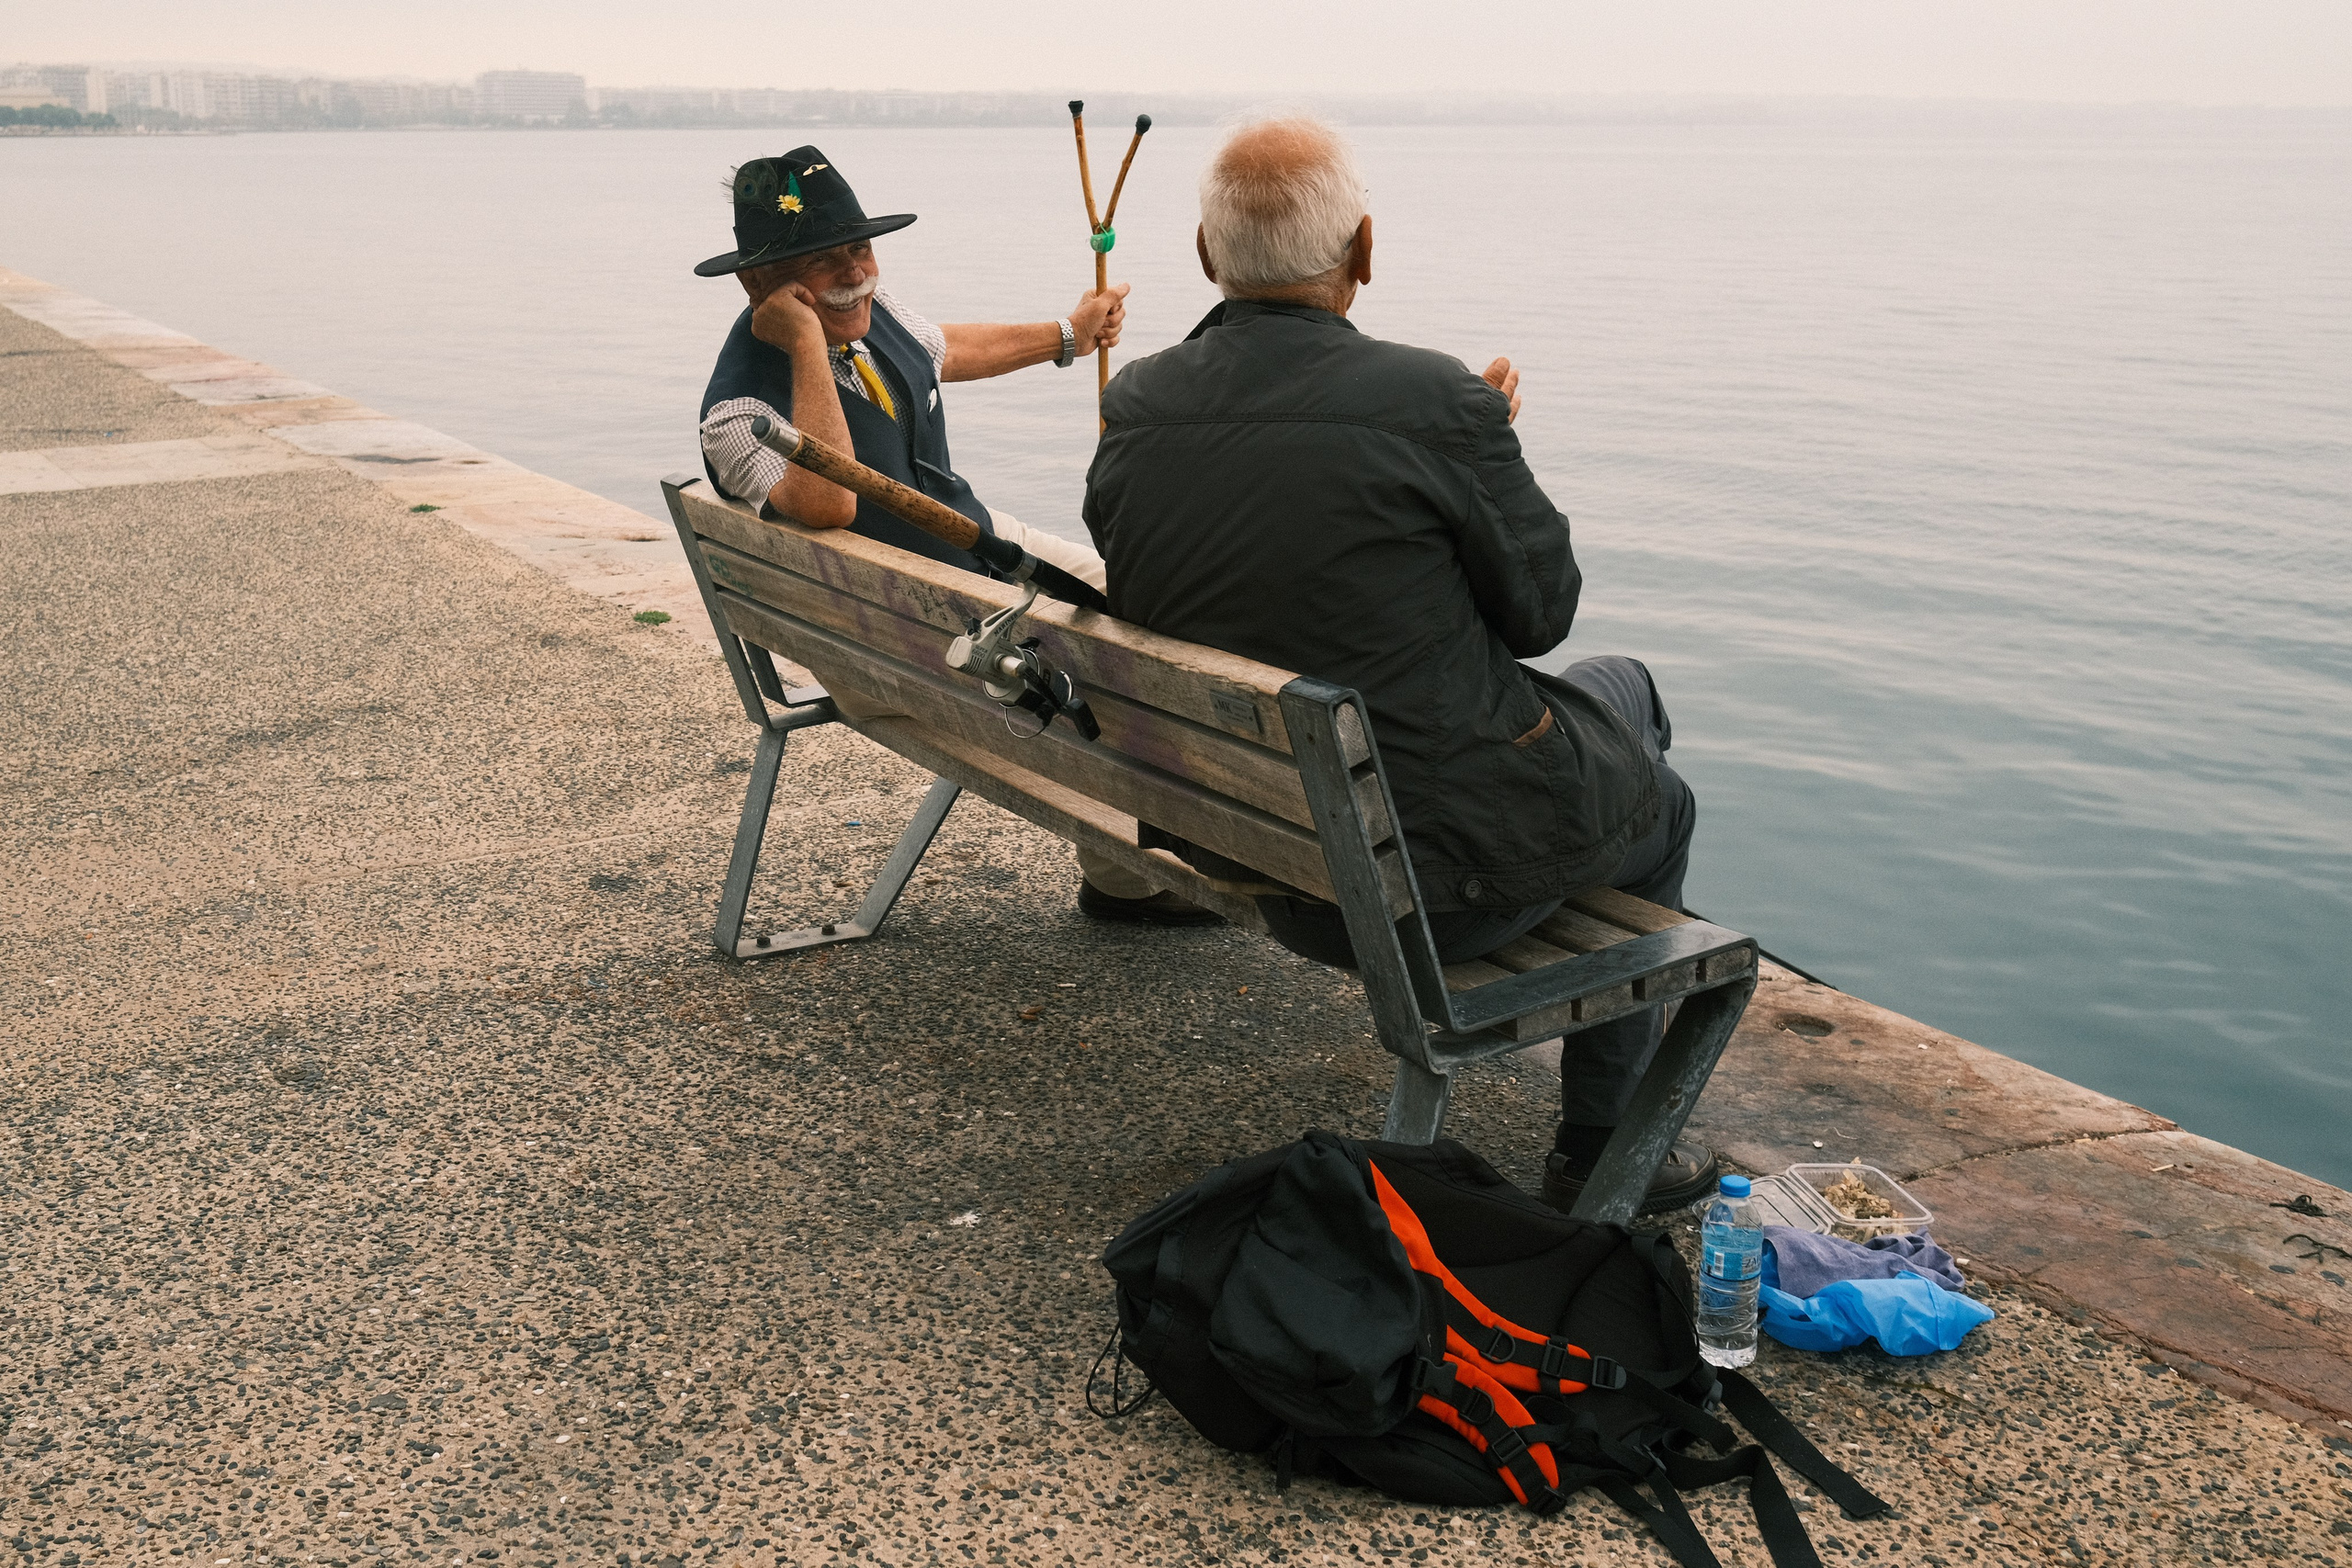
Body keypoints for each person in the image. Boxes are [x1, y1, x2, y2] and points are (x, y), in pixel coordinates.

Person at [1080, 118, 1717, 1214]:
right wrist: (1478, 443)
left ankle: (1608, 1104)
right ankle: (1607, 1142)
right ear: (1363, 251)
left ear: (1201, 255)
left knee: (1615, 697)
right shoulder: (1435, 403)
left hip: (1239, 833)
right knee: (1651, 768)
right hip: (1417, 887)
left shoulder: (1136, 400)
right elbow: (1540, 616)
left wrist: (1459, 444)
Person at [695, 146, 1218, 927]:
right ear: (756, 285)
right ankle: (1132, 874)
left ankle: (1124, 874)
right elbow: (832, 501)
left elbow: (941, 351)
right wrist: (807, 344)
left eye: (860, 247)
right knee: (1116, 666)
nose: (853, 272)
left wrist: (1067, 336)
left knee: (1149, 600)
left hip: (963, 566)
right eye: (820, 262)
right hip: (905, 640)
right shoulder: (737, 417)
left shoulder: (879, 318)